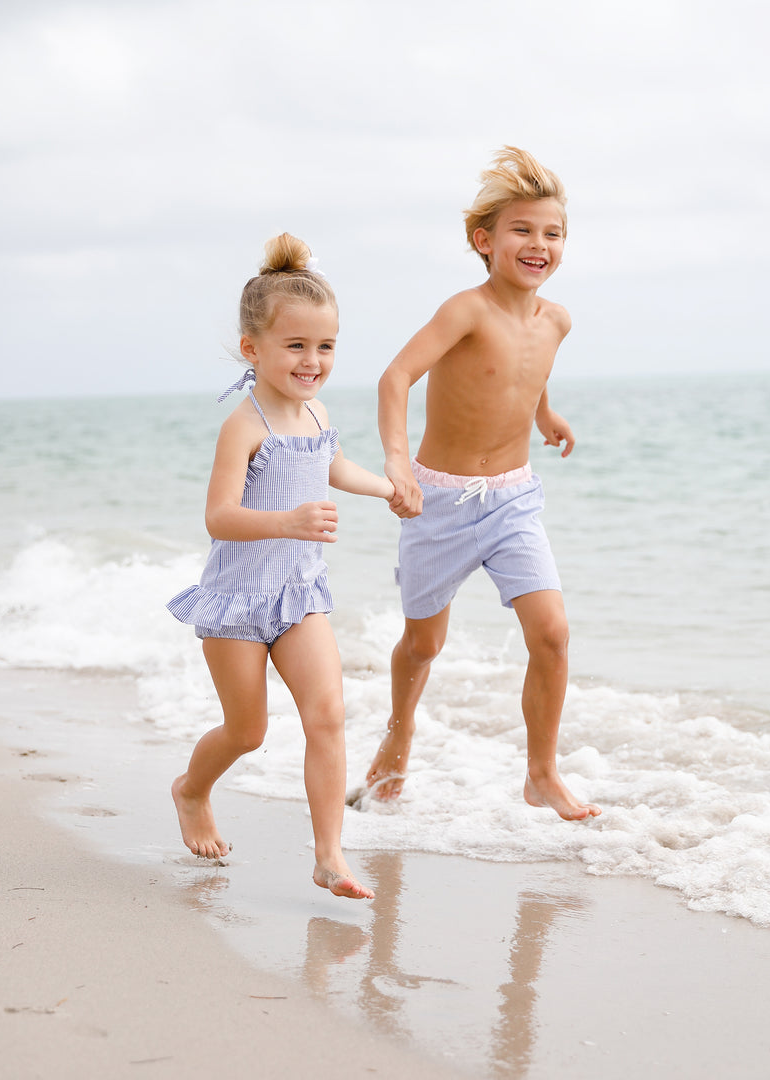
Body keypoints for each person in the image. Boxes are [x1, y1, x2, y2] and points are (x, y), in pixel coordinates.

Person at [367, 146, 601, 821]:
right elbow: (394, 378)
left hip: (511, 498)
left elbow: (528, 368)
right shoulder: (464, 311)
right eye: (522, 230)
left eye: (552, 233)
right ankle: (399, 734)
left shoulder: (556, 319)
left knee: (552, 632)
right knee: (423, 644)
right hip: (440, 498)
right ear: (485, 241)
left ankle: (541, 773)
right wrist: (396, 462)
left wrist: (545, 412)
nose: (539, 244)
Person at [167, 233, 393, 899]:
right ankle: (191, 789)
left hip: (299, 596)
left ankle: (330, 856)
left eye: (325, 347)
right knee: (248, 731)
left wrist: (389, 489)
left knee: (327, 714)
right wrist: (289, 521)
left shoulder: (317, 409)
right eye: (295, 345)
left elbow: (334, 466)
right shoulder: (246, 424)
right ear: (253, 349)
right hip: (238, 601)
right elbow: (219, 516)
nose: (312, 360)